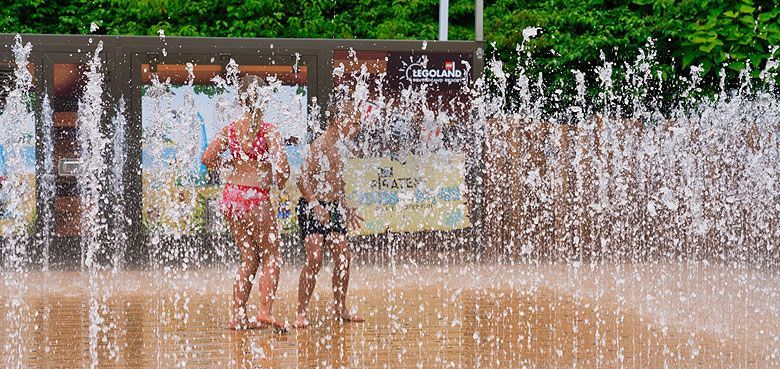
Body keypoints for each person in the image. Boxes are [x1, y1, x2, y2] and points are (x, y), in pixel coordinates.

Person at [201, 75, 290, 330]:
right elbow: (281, 165)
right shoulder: (269, 130)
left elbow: (207, 157)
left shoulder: (231, 129)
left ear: (241, 100)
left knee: (249, 257)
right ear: (264, 98)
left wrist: (231, 163)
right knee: (271, 255)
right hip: (256, 197)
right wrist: (281, 179)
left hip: (232, 196)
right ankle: (264, 311)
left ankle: (238, 315)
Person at [293, 101, 365, 329]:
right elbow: (301, 179)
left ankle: (340, 308)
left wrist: (344, 206)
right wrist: (316, 205)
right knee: (315, 259)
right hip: (312, 206)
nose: (357, 127)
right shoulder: (319, 145)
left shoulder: (340, 147)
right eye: (353, 122)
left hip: (333, 207)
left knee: (344, 258)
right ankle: (301, 312)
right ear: (338, 120)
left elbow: (335, 182)